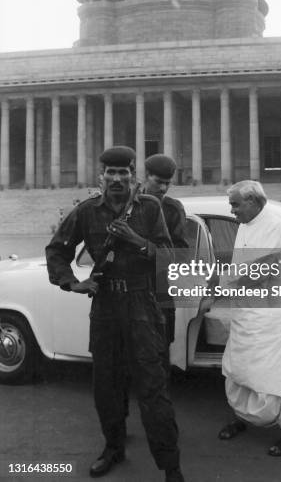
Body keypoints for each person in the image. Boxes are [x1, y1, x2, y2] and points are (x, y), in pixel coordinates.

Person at [46, 146, 185, 482]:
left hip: (142, 304)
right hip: (106, 306)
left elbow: (172, 258)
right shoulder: (87, 211)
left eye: (125, 173)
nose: (118, 179)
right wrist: (72, 283)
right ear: (102, 176)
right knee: (106, 385)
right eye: (112, 173)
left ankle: (171, 466)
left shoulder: (150, 208)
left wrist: (137, 240)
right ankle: (113, 448)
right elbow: (57, 250)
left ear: (133, 175)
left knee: (153, 387)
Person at [217, 180, 281, 456]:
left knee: (278, 373)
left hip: (273, 316)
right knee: (239, 368)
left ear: (252, 201)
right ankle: (242, 417)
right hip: (246, 314)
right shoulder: (245, 224)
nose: (232, 209)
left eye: (235, 204)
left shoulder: (275, 225)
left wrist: (227, 287)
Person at [143, 154, 189, 347]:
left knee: (160, 348)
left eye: (167, 183)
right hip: (129, 289)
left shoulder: (173, 209)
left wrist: (148, 249)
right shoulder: (127, 204)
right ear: (146, 176)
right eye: (158, 182)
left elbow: (182, 255)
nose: (162, 188)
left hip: (160, 286)